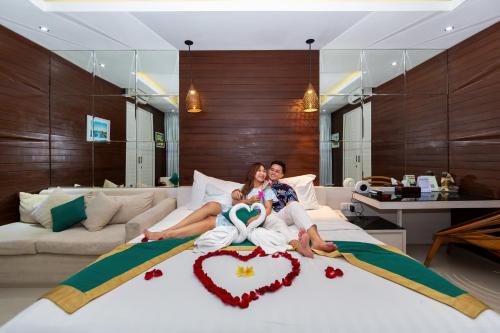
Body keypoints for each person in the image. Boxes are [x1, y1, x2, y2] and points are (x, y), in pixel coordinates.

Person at [232, 161, 336, 255]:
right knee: (275, 220)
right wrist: (235, 193)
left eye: (277, 171)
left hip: (278, 214)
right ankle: (298, 244)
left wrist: (287, 205)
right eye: (271, 170)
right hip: (267, 216)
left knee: (294, 205)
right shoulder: (254, 186)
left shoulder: (286, 188)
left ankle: (317, 241)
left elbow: (292, 203)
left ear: (282, 175)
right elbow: (238, 197)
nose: (273, 172)